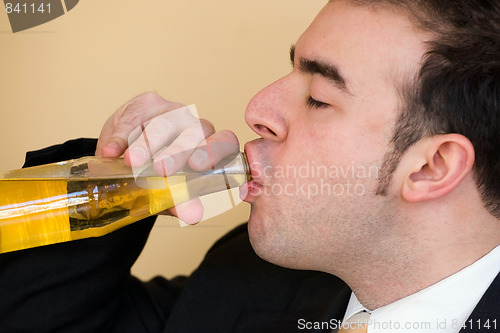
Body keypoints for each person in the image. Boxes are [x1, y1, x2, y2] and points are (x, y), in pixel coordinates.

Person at [1, 0, 499, 332]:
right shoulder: (245, 278)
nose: (257, 110)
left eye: (319, 98)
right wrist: (115, 177)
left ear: (432, 167)